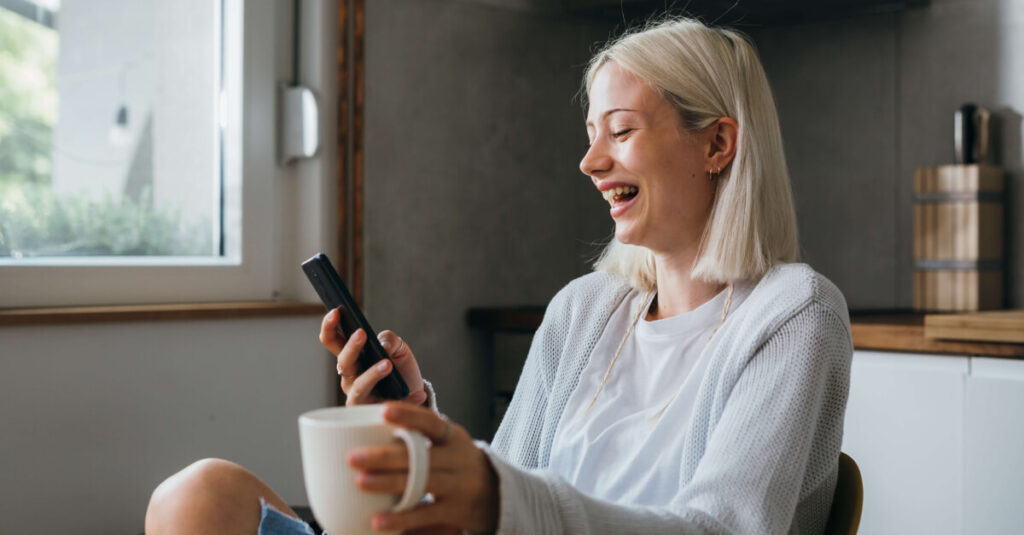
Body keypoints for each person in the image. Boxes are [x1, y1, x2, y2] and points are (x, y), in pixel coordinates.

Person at [145, 16, 852, 535]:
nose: (591, 163)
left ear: (718, 143)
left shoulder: (793, 316)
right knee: (197, 496)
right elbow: (503, 497)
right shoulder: (587, 310)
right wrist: (421, 427)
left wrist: (497, 498)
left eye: (622, 131)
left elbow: (724, 528)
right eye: (591, 136)